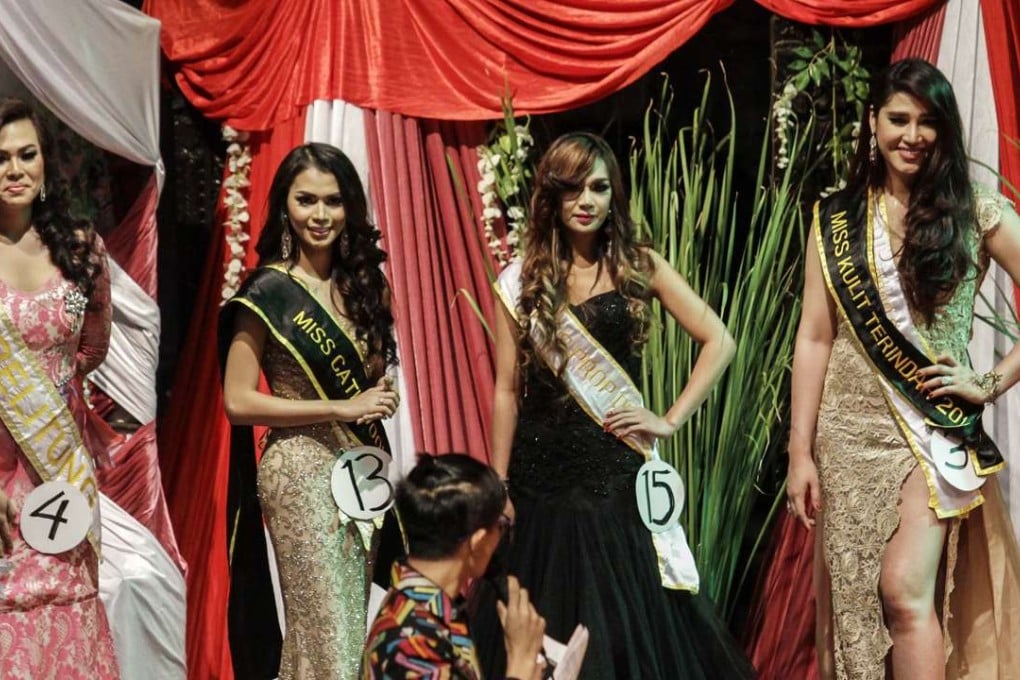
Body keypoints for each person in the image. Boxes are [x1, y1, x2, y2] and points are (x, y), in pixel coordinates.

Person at [481, 131, 755, 679]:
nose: (587, 201)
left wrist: (669, 420)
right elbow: (507, 391)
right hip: (540, 479)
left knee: (622, 625)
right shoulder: (523, 281)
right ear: (552, 197)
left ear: (614, 196)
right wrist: (498, 481)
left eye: (600, 188)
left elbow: (719, 340)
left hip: (613, 472)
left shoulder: (638, 265)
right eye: (574, 188)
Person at [785, 58, 1020, 679]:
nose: (911, 135)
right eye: (898, 118)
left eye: (927, 122)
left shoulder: (975, 211)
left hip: (928, 430)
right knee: (857, 604)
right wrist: (799, 451)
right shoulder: (834, 217)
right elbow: (814, 337)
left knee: (901, 590)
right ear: (873, 122)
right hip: (844, 432)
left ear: (945, 131)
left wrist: (988, 382)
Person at [221, 142, 400, 679]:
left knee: (343, 622)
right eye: (306, 200)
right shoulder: (267, 292)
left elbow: (367, 382)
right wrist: (343, 404)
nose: (320, 215)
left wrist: (377, 392)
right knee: (329, 629)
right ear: (285, 206)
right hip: (298, 471)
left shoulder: (367, 287)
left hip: (359, 472)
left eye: (334, 201)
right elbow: (237, 401)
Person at [0, 98, 119, 677]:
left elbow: (93, 346)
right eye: (0, 158)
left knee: (71, 611)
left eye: (27, 154)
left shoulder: (79, 248)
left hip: (61, 473)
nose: (14, 169)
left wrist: (53, 396)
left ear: (47, 163)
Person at [363, 453, 546, 680]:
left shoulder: (431, 606)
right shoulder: (412, 643)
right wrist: (521, 665)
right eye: (502, 526)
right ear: (478, 542)